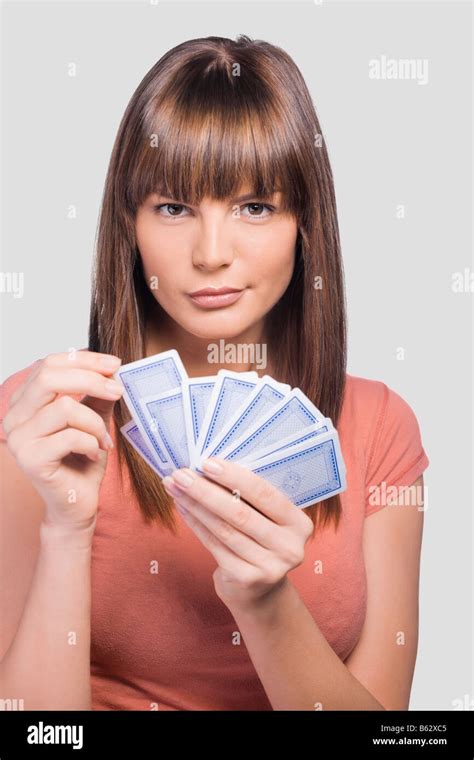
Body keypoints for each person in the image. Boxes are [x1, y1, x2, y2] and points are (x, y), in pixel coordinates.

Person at [0, 35, 429, 711]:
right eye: (173, 208)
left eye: (254, 206)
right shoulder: (49, 416)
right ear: (130, 225)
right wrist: (65, 530)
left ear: (304, 226)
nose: (210, 254)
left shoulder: (381, 429)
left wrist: (262, 601)